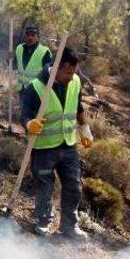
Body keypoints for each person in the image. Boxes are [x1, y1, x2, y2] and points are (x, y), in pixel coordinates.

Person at [20, 47, 94, 238]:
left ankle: (69, 226)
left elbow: (78, 107)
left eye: (74, 72)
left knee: (74, 186)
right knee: (45, 186)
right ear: (57, 68)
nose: (71, 77)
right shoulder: (35, 87)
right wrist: (30, 124)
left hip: (68, 145)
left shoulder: (75, 81)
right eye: (68, 72)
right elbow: (25, 114)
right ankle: (43, 222)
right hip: (44, 148)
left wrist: (84, 129)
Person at [10, 26, 52, 93]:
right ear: (25, 37)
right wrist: (9, 60)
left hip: (36, 91)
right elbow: (14, 66)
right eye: (28, 35)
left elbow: (48, 74)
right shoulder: (19, 48)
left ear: (38, 38)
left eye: (33, 35)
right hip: (22, 89)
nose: (30, 37)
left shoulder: (44, 51)